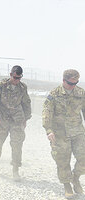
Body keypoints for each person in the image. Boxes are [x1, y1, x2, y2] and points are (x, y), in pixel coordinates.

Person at [42, 69, 85, 198]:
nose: (73, 86)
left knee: (83, 158)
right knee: (62, 160)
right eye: (70, 83)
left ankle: (75, 177)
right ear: (63, 80)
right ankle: (67, 184)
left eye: (75, 83)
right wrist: (49, 131)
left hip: (78, 131)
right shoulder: (54, 94)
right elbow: (46, 113)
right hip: (60, 133)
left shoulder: (81, 93)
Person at [0, 65, 31, 181]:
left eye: (19, 78)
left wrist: (25, 118)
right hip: (2, 119)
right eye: (15, 77)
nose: (17, 80)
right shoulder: (1, 86)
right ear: (11, 74)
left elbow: (26, 103)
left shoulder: (22, 87)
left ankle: (15, 170)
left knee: (17, 145)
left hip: (17, 120)